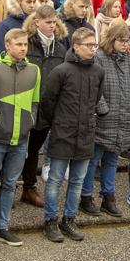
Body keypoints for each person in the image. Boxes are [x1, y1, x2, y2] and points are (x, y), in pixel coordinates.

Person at [39, 27, 107, 243]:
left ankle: (69, 219)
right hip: (63, 133)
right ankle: (50, 220)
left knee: (77, 180)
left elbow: (95, 99)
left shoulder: (98, 71)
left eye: (94, 45)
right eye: (88, 45)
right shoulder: (61, 71)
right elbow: (47, 103)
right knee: (55, 180)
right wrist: (60, 123)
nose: (93, 49)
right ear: (75, 47)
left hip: (86, 132)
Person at [0, 29, 38, 248]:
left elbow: (35, 102)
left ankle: (2, 227)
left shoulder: (34, 70)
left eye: (25, 45)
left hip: (21, 139)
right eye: (18, 44)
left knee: (10, 184)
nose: (23, 48)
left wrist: (30, 120)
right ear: (7, 45)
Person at [84, 20, 130, 218]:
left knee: (112, 159)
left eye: (127, 40)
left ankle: (108, 196)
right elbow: (95, 88)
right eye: (121, 41)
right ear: (111, 39)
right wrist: (104, 110)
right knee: (94, 158)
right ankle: (86, 195)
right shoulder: (98, 57)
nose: (125, 44)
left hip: (123, 116)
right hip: (105, 117)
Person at [19, 5, 71, 206]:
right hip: (25, 104)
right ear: (37, 22)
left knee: (34, 149)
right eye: (48, 22)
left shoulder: (59, 47)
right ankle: (11, 185)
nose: (52, 26)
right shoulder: (26, 44)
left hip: (47, 107)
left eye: (54, 22)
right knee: (18, 148)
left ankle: (29, 188)